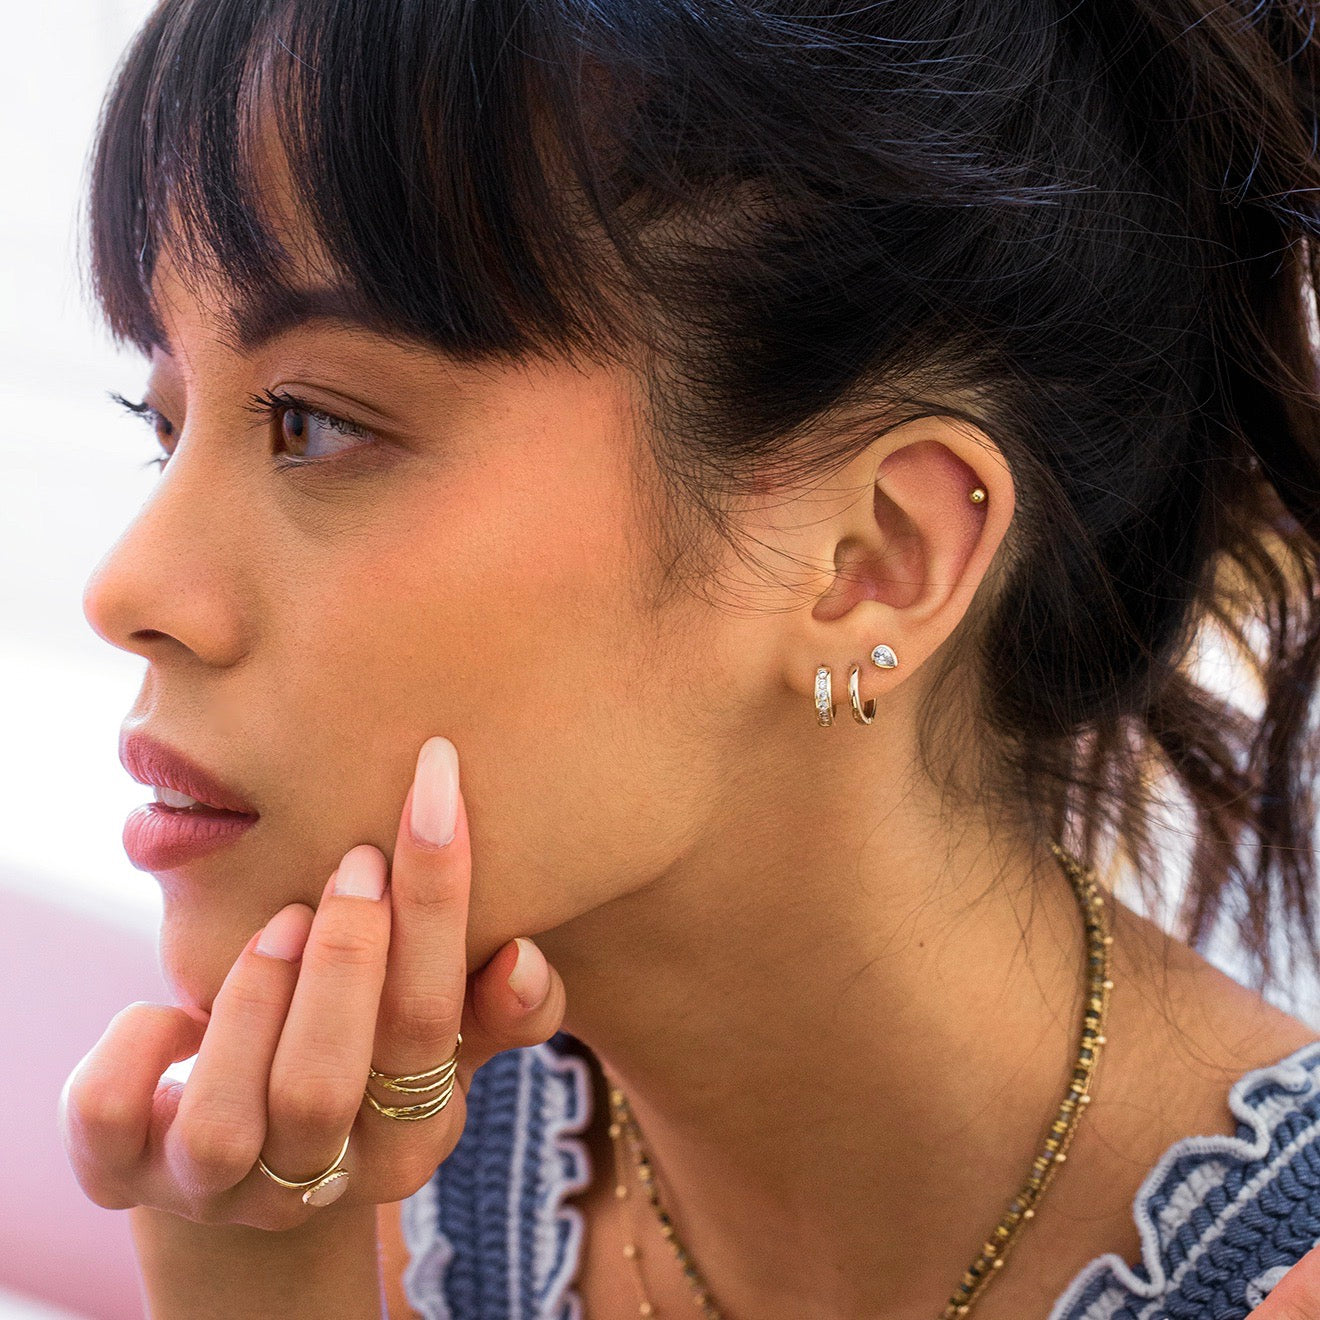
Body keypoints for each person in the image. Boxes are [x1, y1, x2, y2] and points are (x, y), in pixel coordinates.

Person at [55, 0, 1320, 1316]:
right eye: (166, 424)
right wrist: (262, 1279)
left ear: (871, 558)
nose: (130, 590)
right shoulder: (391, 1156)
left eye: (313, 423)